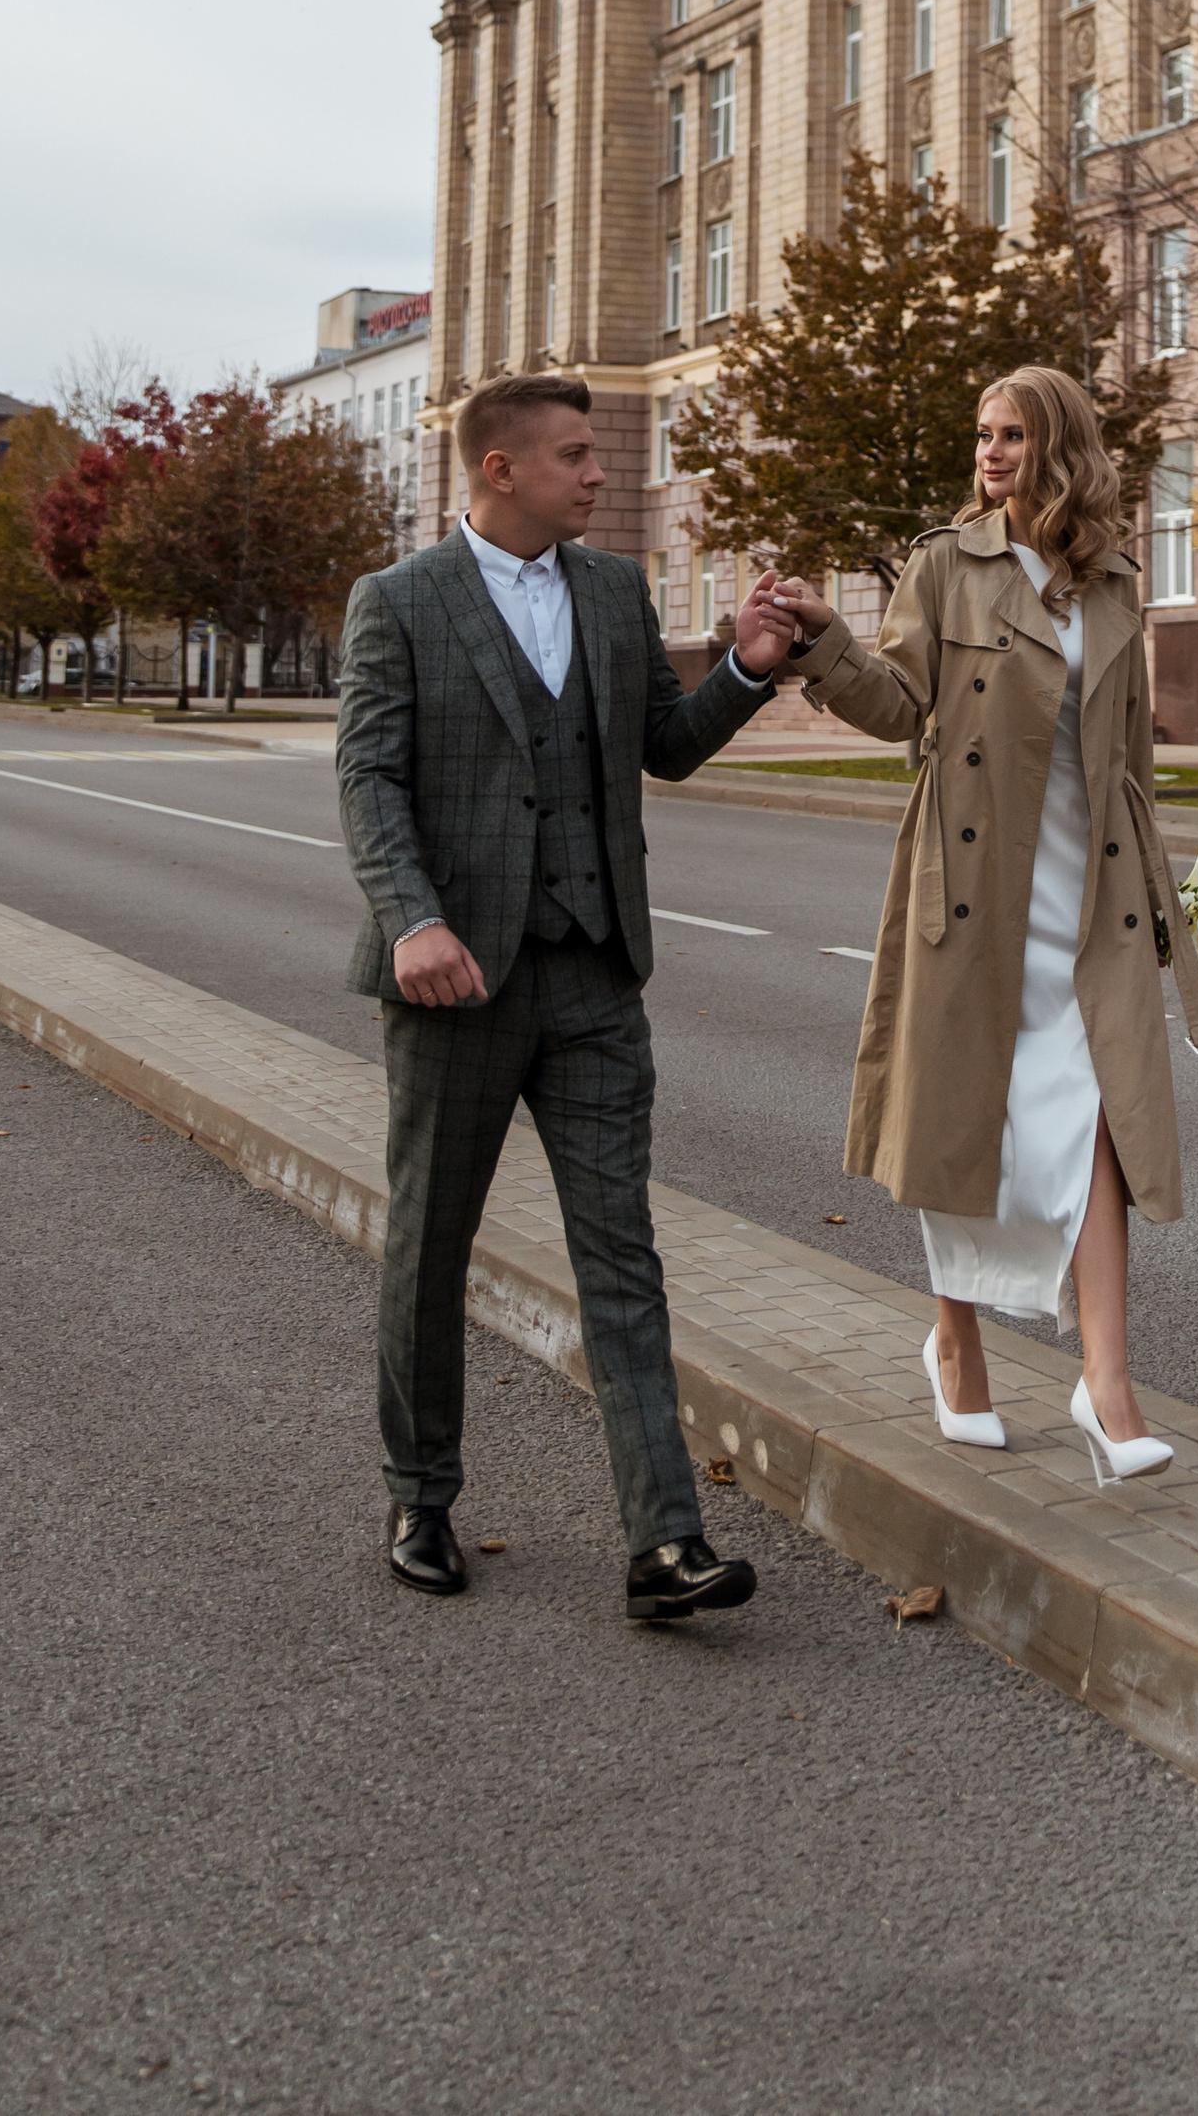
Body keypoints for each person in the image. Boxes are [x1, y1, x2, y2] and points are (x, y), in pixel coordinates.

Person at [336, 369, 794, 1617]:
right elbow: (369, 782)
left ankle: (663, 1544)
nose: (601, 472)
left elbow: (663, 745)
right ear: (502, 468)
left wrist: (747, 669)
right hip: (456, 982)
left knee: (621, 1255)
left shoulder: (610, 589)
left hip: (594, 975)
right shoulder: (400, 602)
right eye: (580, 455)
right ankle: (420, 1489)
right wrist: (414, 921)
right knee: (431, 1243)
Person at [772, 366, 1198, 1479]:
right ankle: (956, 1340)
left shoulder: (1112, 581)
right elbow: (897, 707)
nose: (991, 451)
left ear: (1059, 443)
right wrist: (826, 645)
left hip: (1089, 883)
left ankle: (1107, 1387)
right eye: (981, 433)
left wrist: (1169, 895)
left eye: (1013, 433)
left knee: (1097, 1117)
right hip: (972, 886)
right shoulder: (945, 563)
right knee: (961, 1112)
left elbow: (1131, 760)